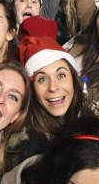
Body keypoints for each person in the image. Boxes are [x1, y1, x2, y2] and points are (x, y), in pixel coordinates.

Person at [12, 35, 91, 166]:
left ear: (74, 81)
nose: (53, 87)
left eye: (61, 75)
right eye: (42, 79)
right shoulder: (24, 141)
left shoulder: (89, 119)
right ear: (32, 89)